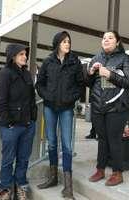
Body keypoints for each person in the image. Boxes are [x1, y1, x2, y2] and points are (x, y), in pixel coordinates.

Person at [35, 31, 83, 199]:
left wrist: (71, 98)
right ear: (57, 43)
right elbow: (39, 84)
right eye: (64, 41)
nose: (67, 44)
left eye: (69, 41)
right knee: (52, 143)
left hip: (66, 109)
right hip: (49, 108)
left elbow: (80, 85)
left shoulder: (74, 62)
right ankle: (53, 177)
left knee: (67, 145)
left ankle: (68, 186)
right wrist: (47, 96)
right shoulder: (48, 62)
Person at [86, 30, 129, 186]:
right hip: (98, 106)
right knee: (102, 139)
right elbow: (87, 83)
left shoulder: (124, 58)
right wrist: (91, 72)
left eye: (110, 37)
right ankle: (100, 170)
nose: (106, 40)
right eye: (104, 38)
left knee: (114, 140)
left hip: (117, 106)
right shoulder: (96, 58)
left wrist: (110, 74)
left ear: (117, 42)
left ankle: (117, 172)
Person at [0, 43, 37, 200]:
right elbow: (0, 102)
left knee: (23, 158)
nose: (25, 57)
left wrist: (33, 118)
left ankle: (20, 186)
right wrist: (8, 123)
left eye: (25, 54)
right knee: (8, 159)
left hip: (27, 125)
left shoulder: (27, 75)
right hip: (11, 127)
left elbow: (32, 99)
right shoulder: (4, 74)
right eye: (21, 54)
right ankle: (5, 188)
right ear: (12, 56)